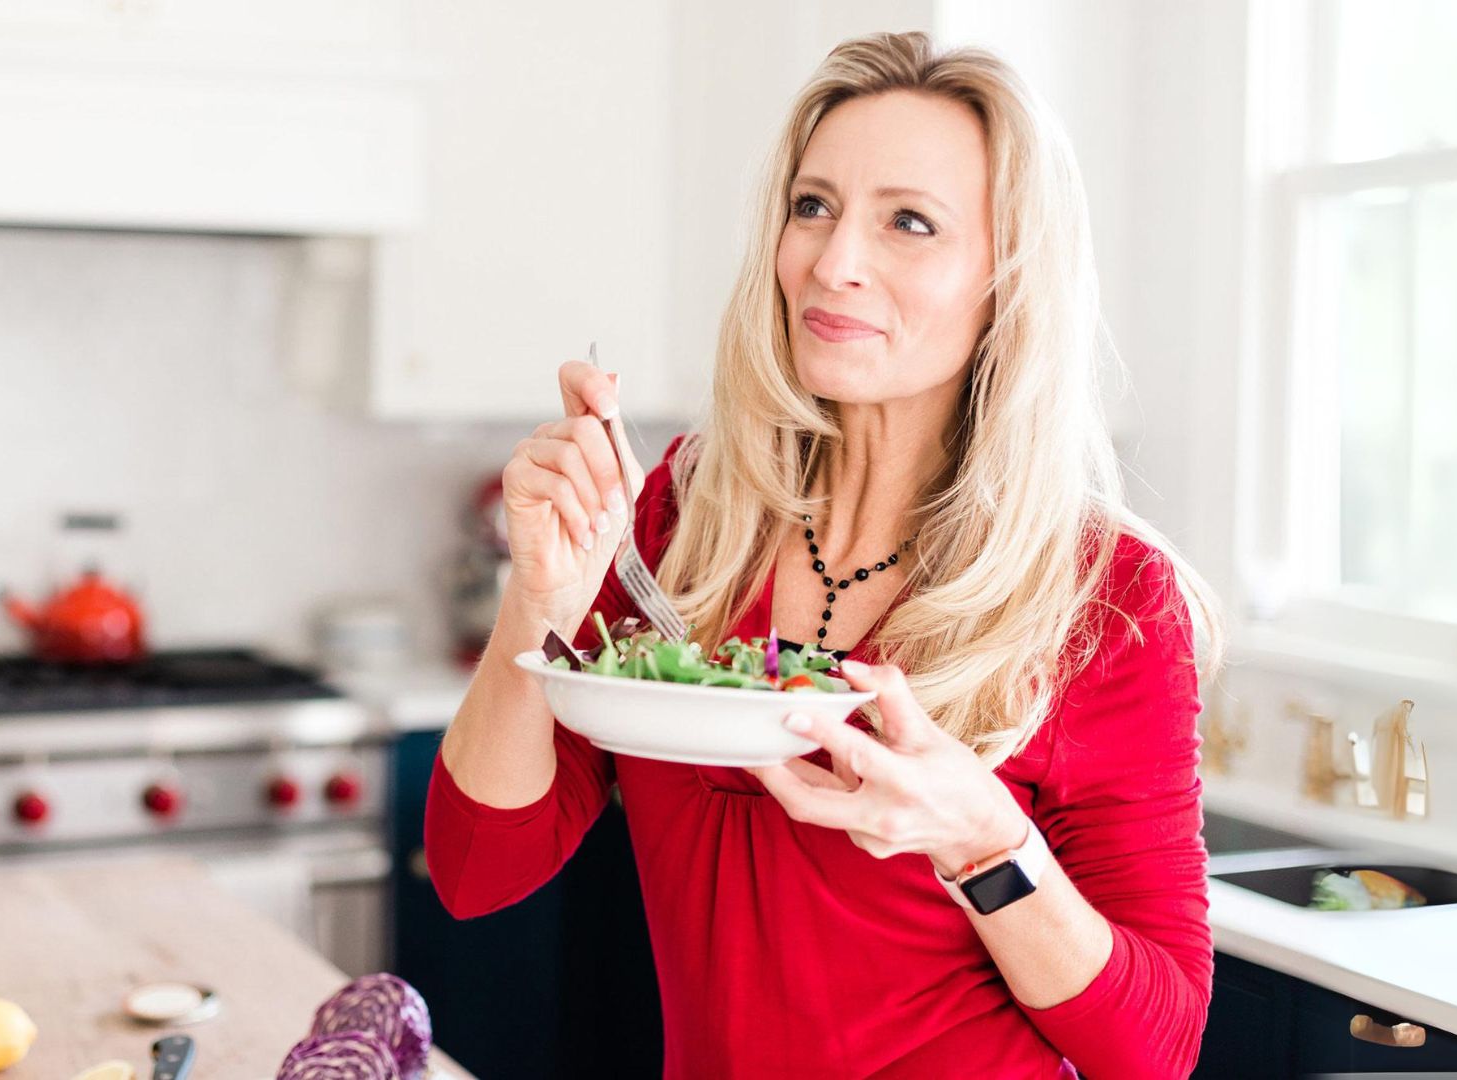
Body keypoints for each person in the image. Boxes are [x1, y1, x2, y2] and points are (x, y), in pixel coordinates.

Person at [426, 30, 1224, 1079]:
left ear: (1008, 280)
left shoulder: (1107, 596)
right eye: (814, 206)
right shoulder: (684, 519)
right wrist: (538, 600)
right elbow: (481, 870)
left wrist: (986, 842)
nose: (835, 262)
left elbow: (1156, 1049)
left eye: (909, 222)